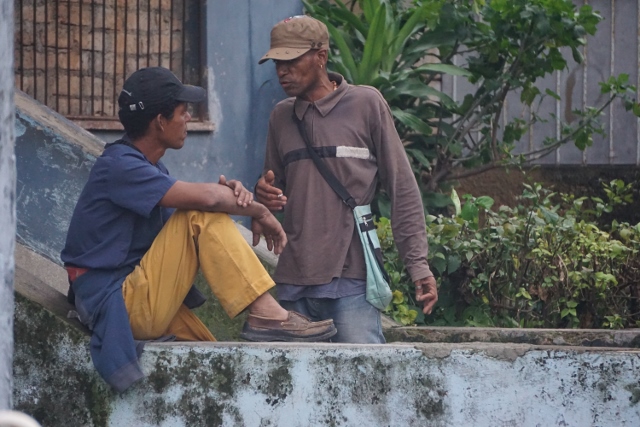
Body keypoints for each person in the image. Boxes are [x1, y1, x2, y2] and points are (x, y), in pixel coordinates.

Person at [61, 66, 336, 393]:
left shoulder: (148, 166)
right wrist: (255, 208)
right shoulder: (120, 165)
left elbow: (200, 205)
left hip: (135, 297)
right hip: (119, 302)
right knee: (200, 216)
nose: (188, 118)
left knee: (213, 365)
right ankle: (266, 313)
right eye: (182, 112)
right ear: (160, 121)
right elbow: (203, 202)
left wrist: (225, 197)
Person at [255, 16, 438, 344]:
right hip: (292, 282)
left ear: (321, 57)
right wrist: (263, 194)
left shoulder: (366, 104)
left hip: (351, 280)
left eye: (291, 60)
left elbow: (403, 188)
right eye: (277, 62)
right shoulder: (281, 117)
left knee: (362, 385)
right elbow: (275, 187)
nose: (282, 71)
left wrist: (418, 265)